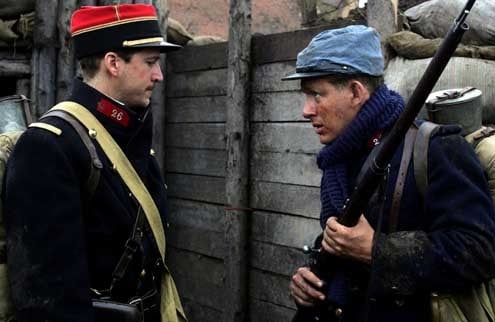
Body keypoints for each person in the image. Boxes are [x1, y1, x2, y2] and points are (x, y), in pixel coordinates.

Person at [285, 25, 495, 321]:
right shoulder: (339, 158)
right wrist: (312, 278)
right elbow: (341, 237)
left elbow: (479, 253)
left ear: (356, 92)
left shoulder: (436, 149)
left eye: (316, 95)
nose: (306, 110)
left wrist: (377, 250)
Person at [3, 4, 186, 322]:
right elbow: (47, 297)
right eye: (151, 63)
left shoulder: (127, 134)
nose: (158, 76)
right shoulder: (49, 146)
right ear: (113, 63)